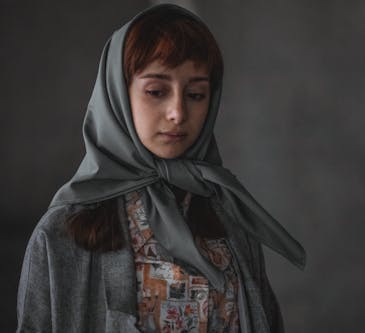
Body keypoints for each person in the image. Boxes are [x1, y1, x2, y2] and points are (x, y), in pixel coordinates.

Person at [16, 4, 306, 333]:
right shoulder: (61, 232)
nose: (178, 112)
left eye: (196, 94)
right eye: (156, 91)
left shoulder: (231, 216)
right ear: (118, 93)